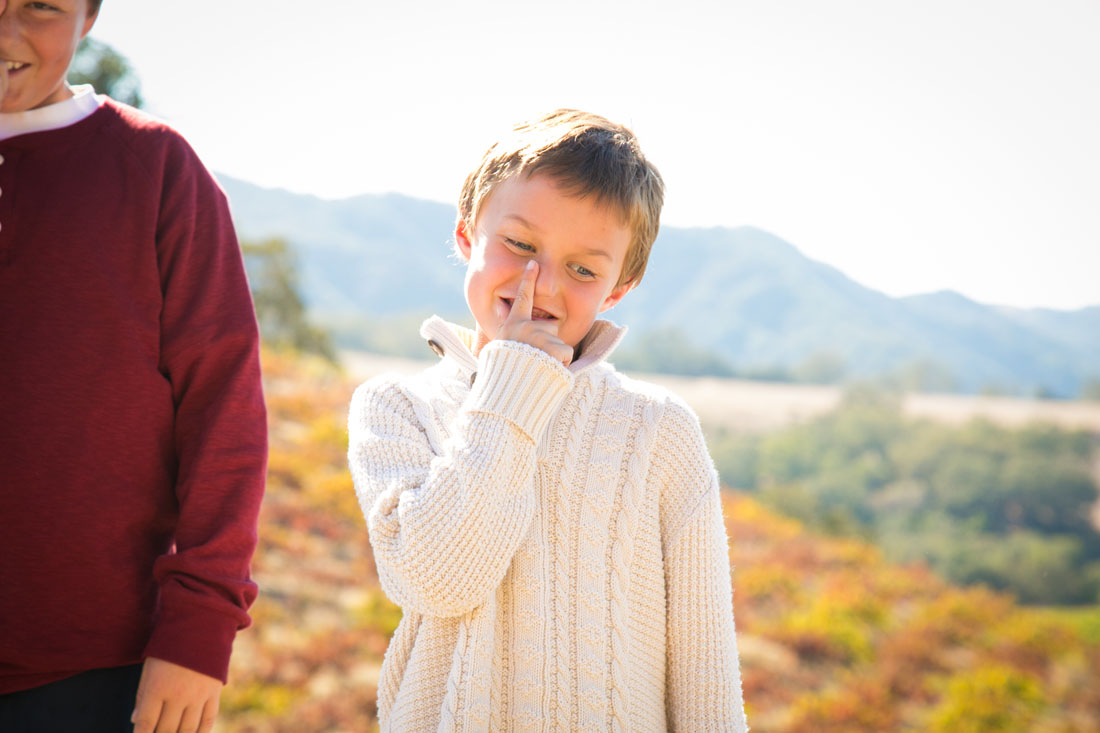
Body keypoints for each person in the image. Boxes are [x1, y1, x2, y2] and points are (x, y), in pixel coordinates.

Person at [347, 109, 748, 730]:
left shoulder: (659, 430)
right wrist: (512, 384)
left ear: (618, 288)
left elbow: (705, 668)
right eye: (520, 244)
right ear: (466, 237)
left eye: (584, 269)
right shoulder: (397, 407)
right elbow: (436, 582)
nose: (541, 283)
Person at [0, 1, 267, 731]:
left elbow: (224, 410)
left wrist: (199, 625)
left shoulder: (154, 168)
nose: (6, 33)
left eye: (39, 7)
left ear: (88, 16)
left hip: (91, 670)